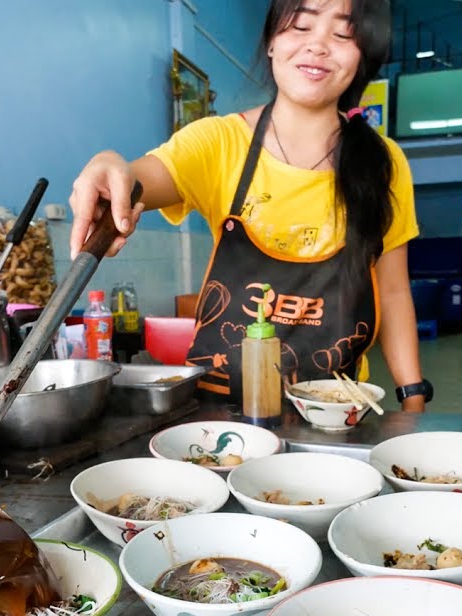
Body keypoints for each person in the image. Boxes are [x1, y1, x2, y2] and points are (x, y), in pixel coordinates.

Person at [68, 0, 430, 410]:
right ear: (272, 42)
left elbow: (394, 290)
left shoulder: (384, 163)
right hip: (220, 412)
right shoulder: (218, 143)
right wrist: (110, 166)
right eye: (301, 26)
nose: (318, 46)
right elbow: (139, 180)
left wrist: (412, 398)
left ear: (364, 56)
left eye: (344, 34)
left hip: (335, 413)